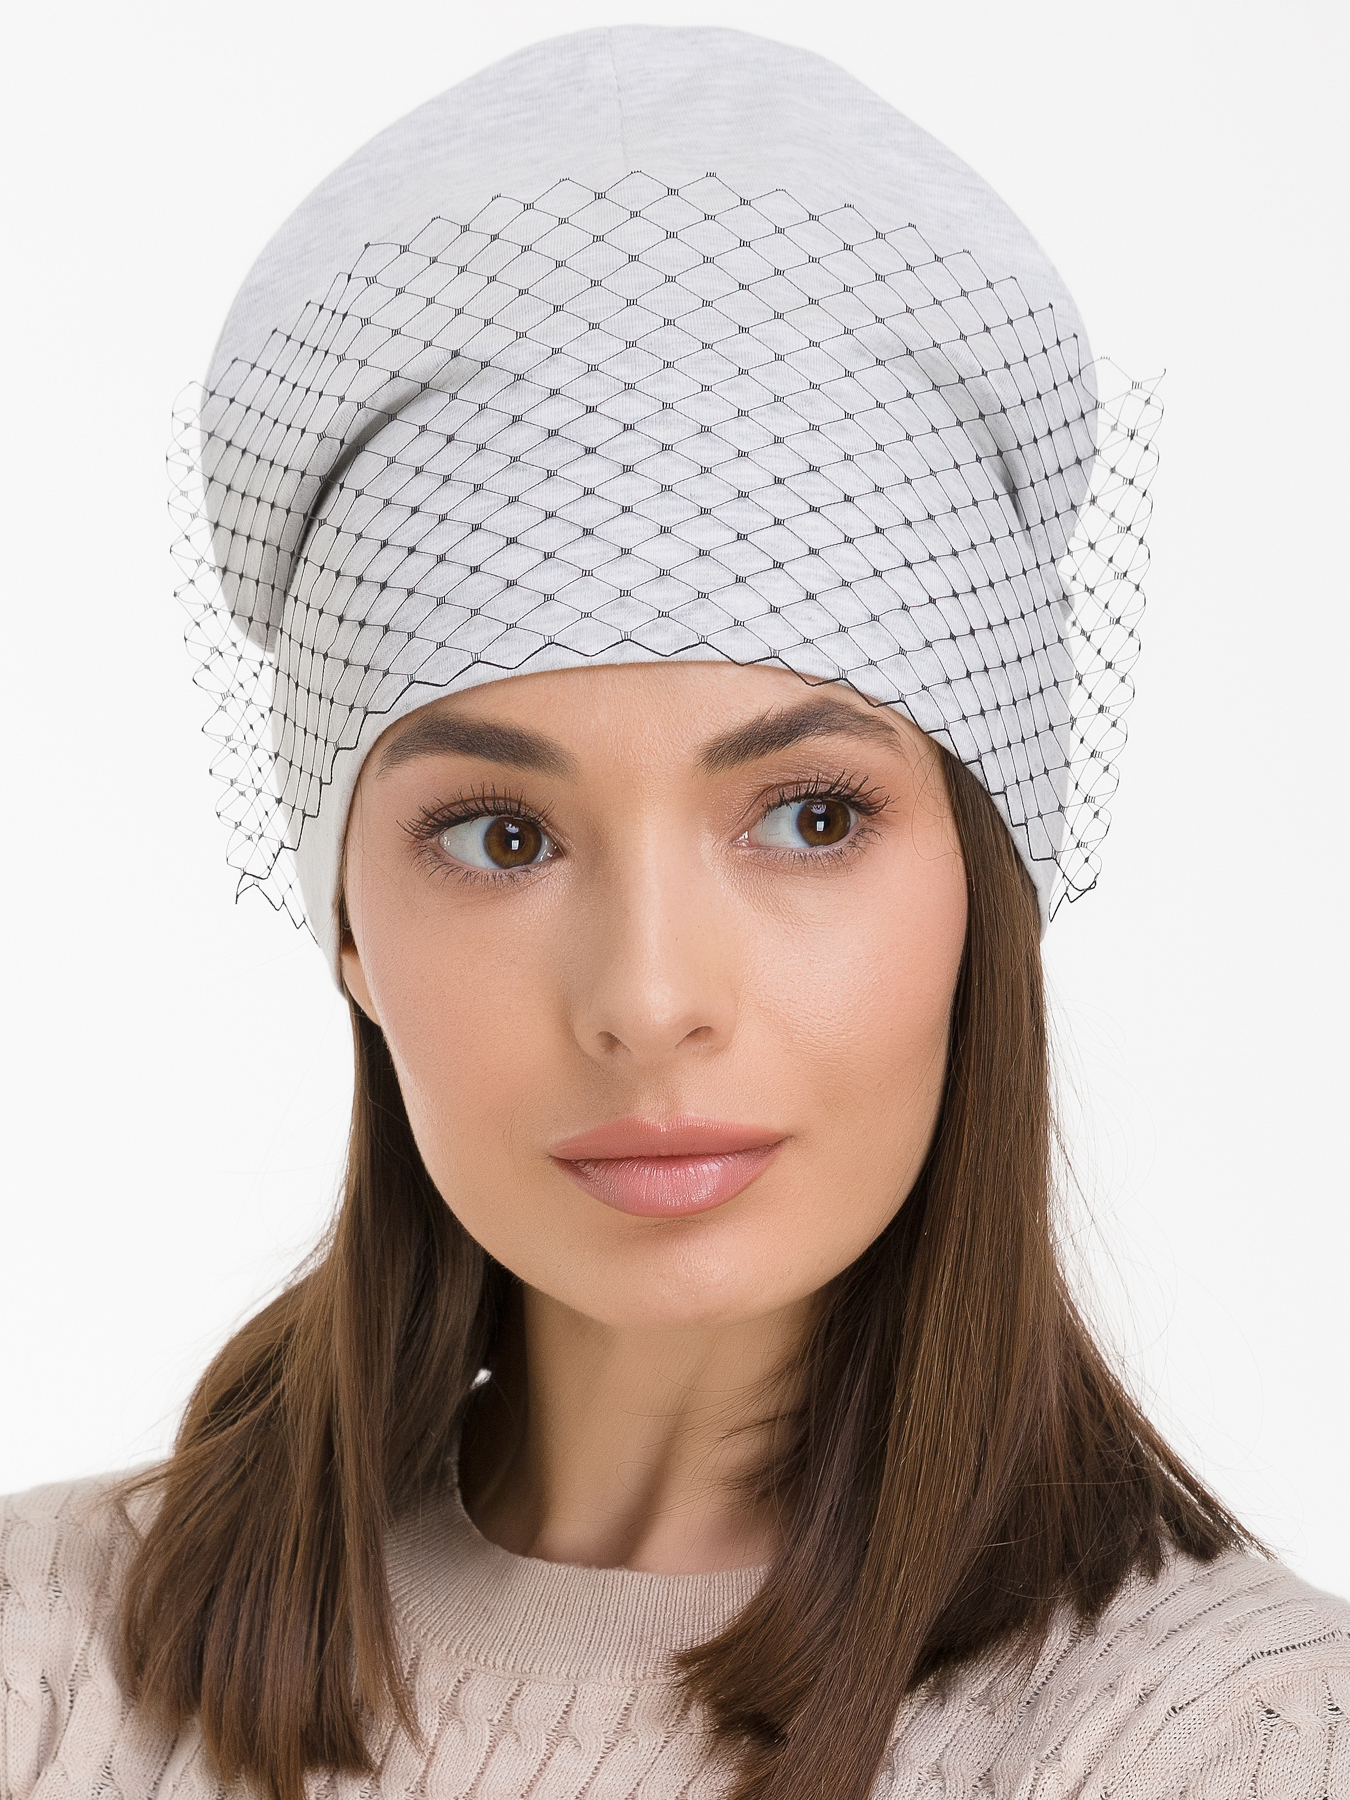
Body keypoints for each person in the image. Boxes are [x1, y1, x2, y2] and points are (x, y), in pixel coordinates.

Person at [3, 26, 1346, 1800]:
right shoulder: (46, 1666)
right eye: (501, 836)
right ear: (347, 927)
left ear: (982, 890)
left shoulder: (1223, 1747)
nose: (647, 997)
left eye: (808, 817)